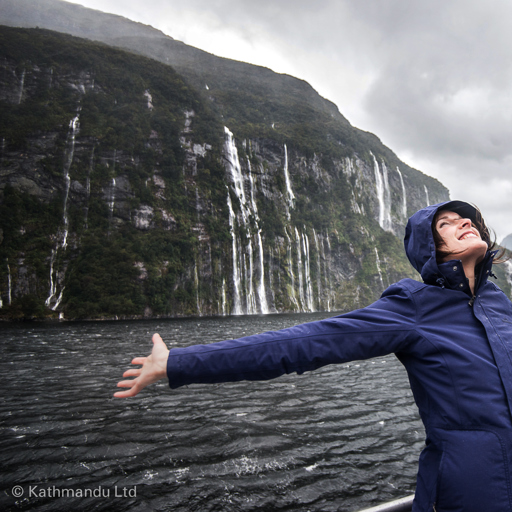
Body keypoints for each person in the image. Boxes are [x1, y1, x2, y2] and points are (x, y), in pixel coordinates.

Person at [115, 200, 512, 512]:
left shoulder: (500, 304)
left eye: (467, 219)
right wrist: (177, 362)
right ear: (432, 247)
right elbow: (304, 343)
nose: (464, 222)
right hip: (470, 495)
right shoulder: (414, 307)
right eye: (446, 223)